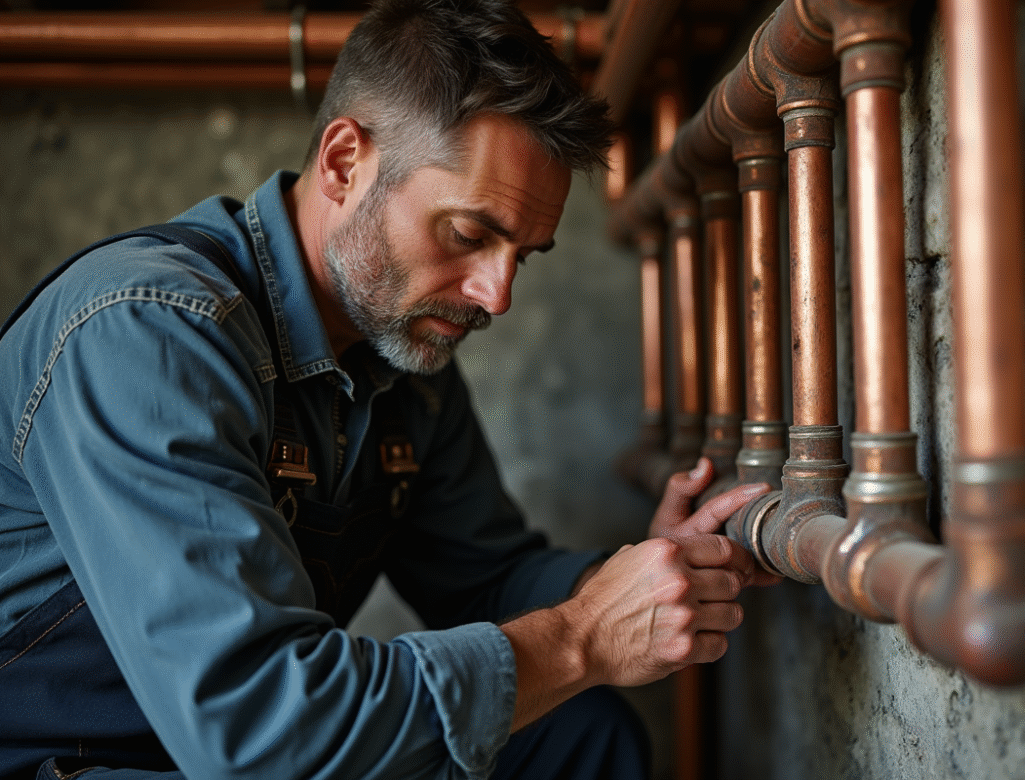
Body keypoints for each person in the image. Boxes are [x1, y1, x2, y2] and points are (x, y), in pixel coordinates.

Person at [0, 0, 773, 777]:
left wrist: (636, 580)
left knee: (579, 732)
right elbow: (261, 727)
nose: (496, 295)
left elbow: (484, 580)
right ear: (345, 163)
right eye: (470, 234)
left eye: (522, 256)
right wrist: (584, 636)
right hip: (68, 761)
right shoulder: (147, 335)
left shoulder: (402, 356)